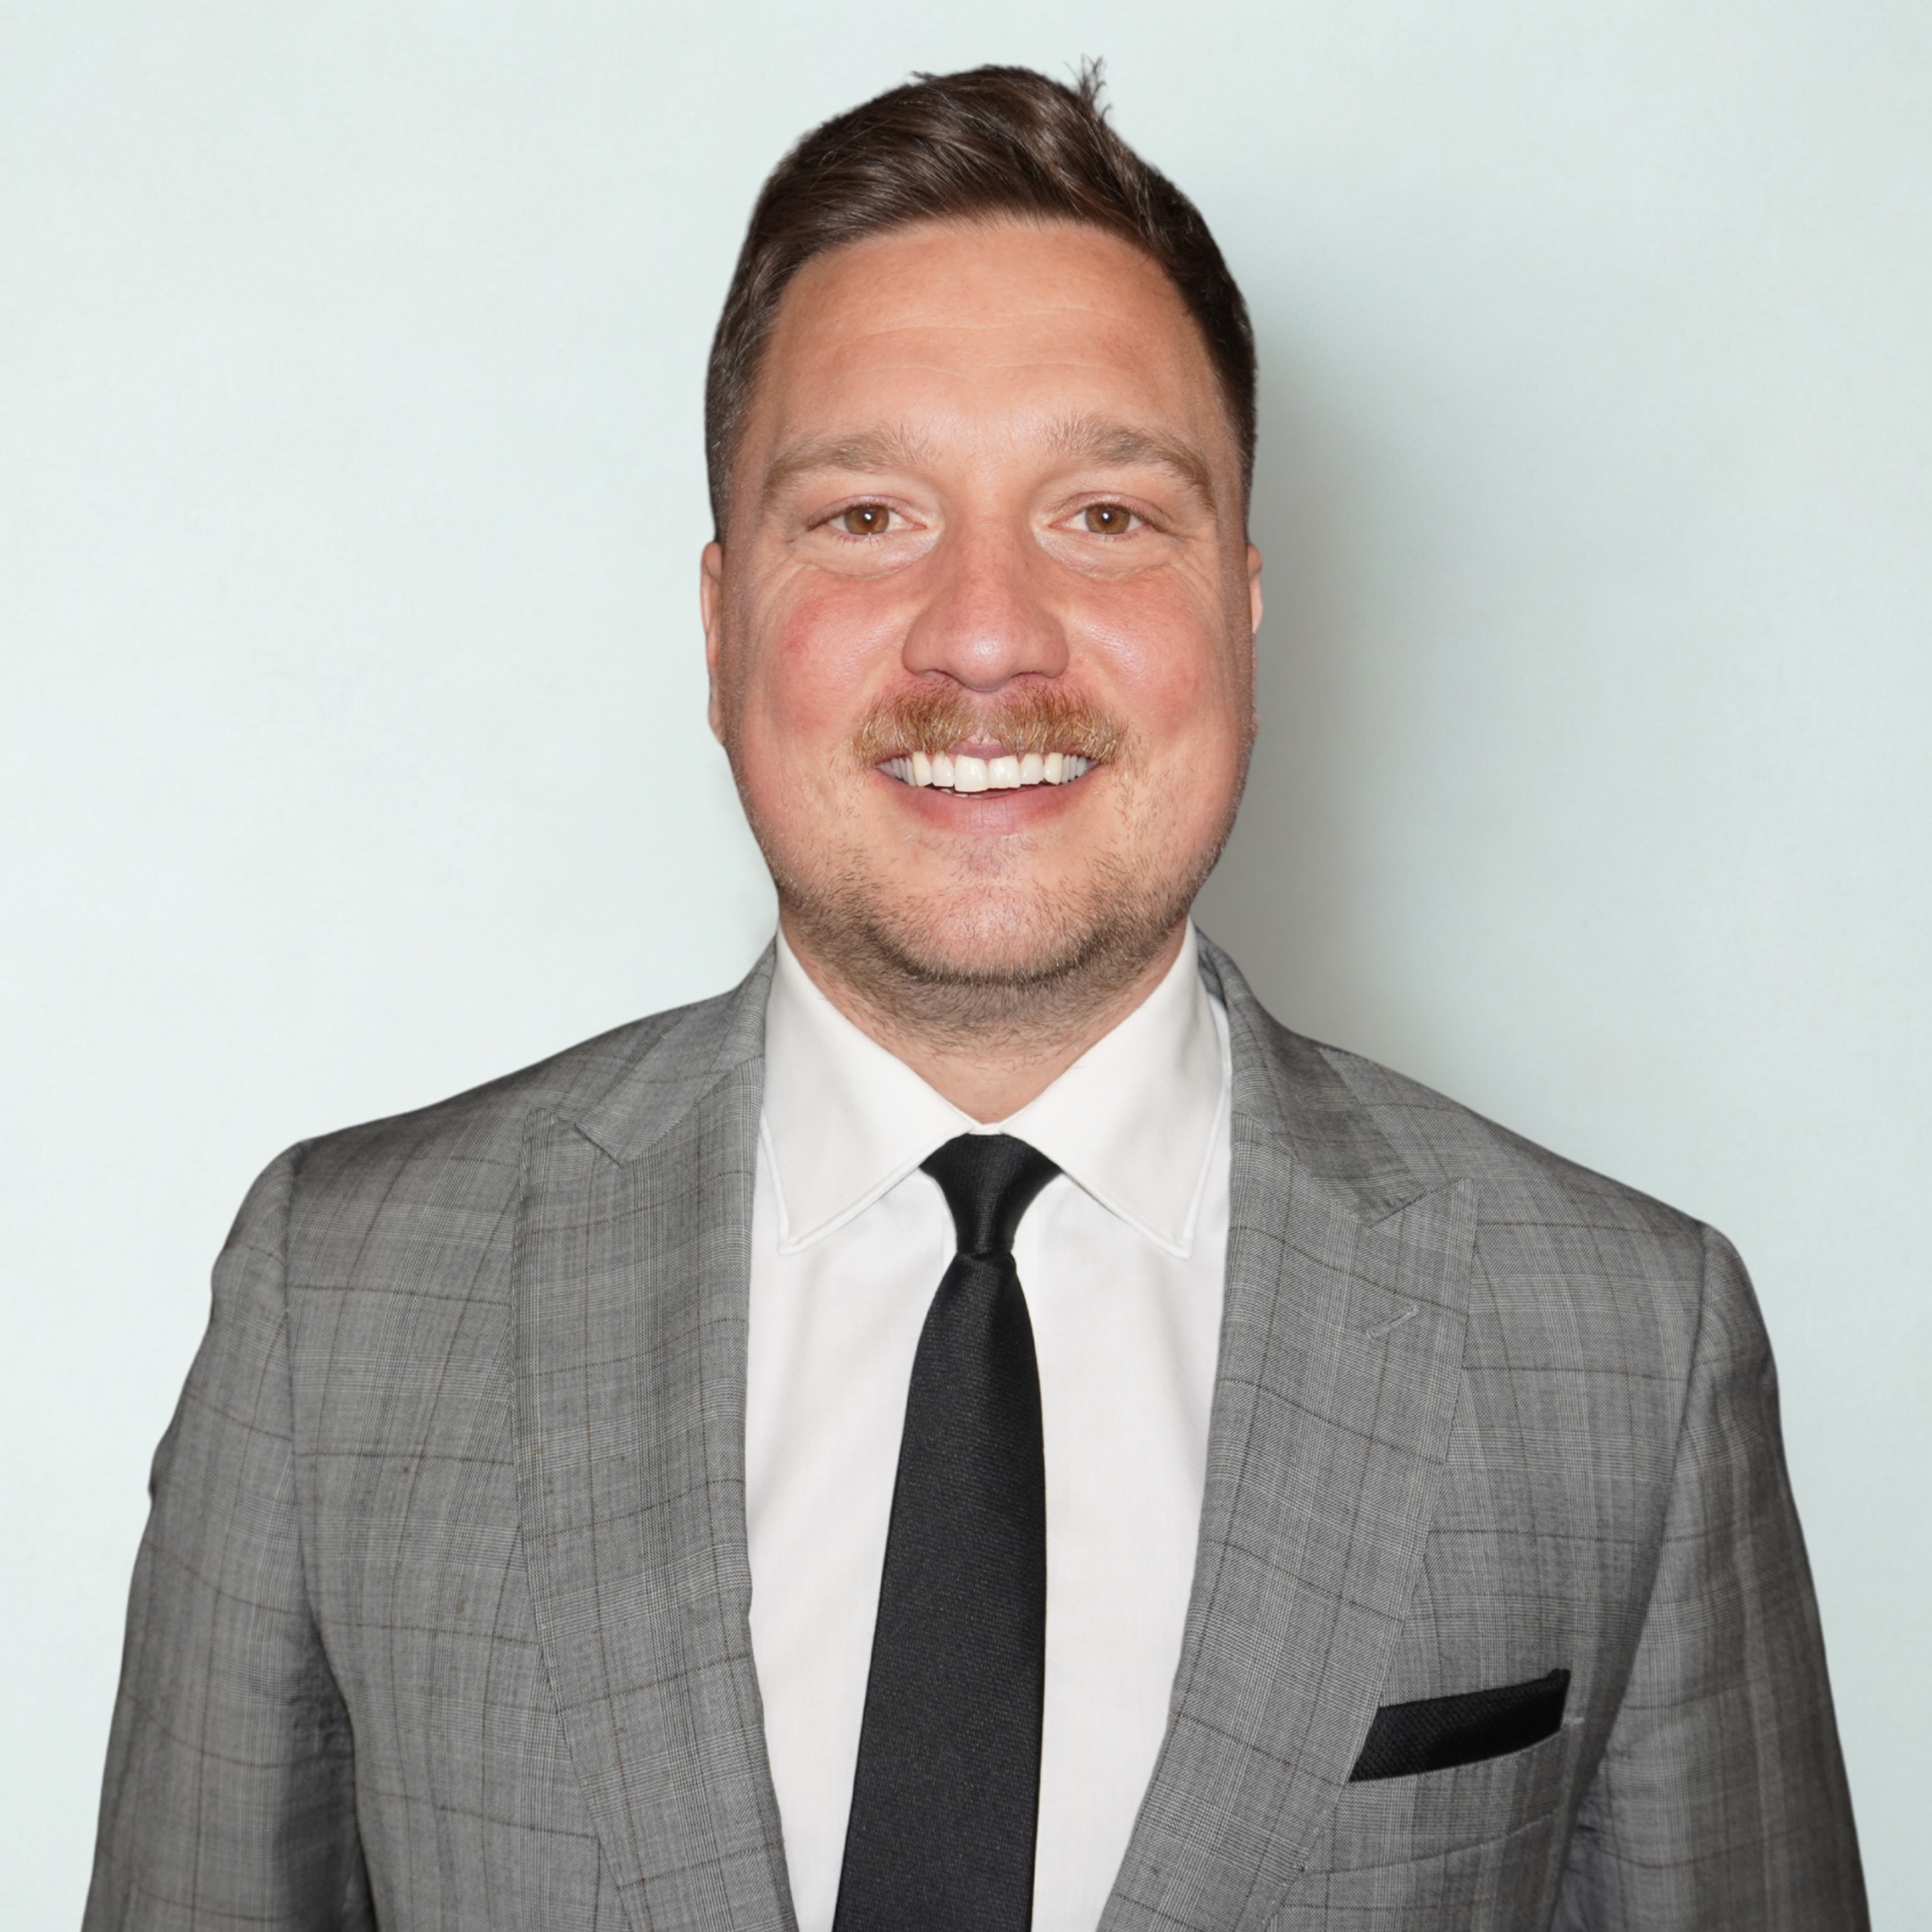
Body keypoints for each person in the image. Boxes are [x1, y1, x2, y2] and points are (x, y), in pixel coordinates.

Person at [86, 63, 1865, 1932]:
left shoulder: (1619, 1353)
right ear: (717, 627)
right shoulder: (339, 1304)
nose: (988, 633)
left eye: (1103, 514)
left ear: (1242, 619)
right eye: (865, 516)